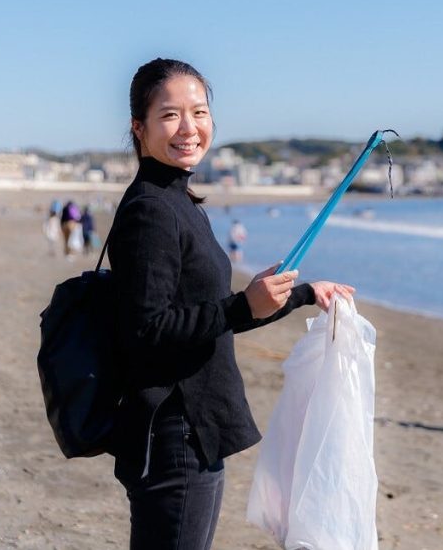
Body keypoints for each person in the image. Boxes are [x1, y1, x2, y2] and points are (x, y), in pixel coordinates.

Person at [107, 58, 355, 549]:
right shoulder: (151, 210)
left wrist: (303, 294)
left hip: (189, 429)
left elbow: (206, 314)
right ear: (140, 127)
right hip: (174, 430)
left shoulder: (177, 200)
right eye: (170, 114)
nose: (189, 128)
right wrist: (242, 306)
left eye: (199, 112)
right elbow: (145, 331)